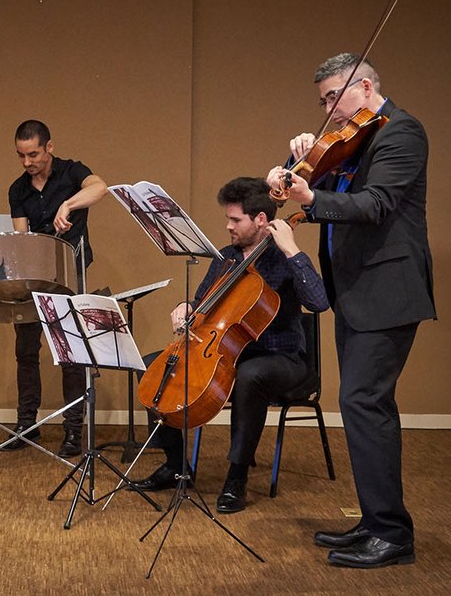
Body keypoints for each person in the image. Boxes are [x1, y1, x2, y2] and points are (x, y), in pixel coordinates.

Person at [267, 53, 435, 568]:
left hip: (387, 293)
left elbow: (376, 204)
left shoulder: (402, 134)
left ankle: (392, 534)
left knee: (365, 404)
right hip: (356, 293)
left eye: (333, 98)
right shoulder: (355, 141)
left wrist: (311, 195)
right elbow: (330, 187)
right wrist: (301, 163)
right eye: (322, 102)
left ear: (364, 88)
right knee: (362, 404)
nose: (328, 110)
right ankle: (374, 522)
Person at [130, 177, 328, 514]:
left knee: (251, 375)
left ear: (261, 220)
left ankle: (236, 478)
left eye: (235, 220)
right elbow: (203, 302)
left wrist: (292, 250)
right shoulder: (225, 258)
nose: (228, 226)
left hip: (280, 358)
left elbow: (319, 301)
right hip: (224, 352)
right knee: (155, 365)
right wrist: (186, 308)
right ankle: (177, 466)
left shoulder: (284, 260)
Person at [2, 119, 108, 457]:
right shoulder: (18, 190)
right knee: (26, 351)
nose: (27, 162)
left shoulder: (72, 172)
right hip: (35, 275)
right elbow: (22, 238)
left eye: (33, 154)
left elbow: (101, 188)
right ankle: (26, 425)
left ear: (49, 147)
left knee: (71, 354)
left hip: (70, 274)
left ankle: (73, 431)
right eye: (21, 156)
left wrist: (68, 204)